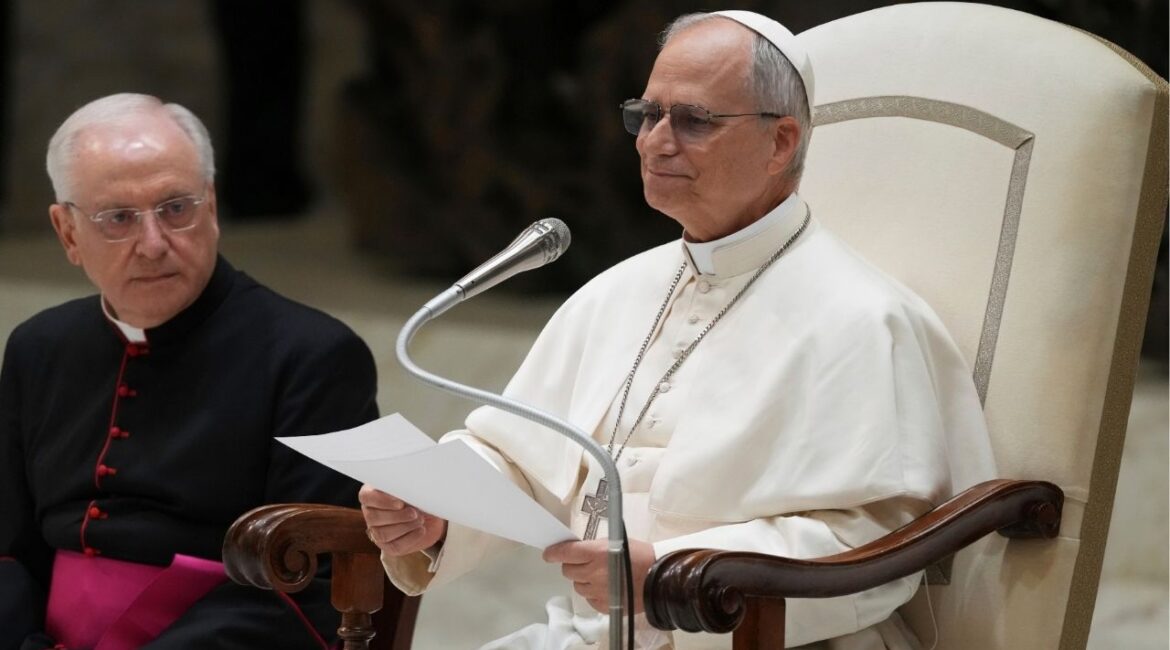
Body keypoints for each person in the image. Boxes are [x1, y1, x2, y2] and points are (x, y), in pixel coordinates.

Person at [360, 10, 996, 649]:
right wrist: (434, 510)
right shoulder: (616, 293)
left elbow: (873, 546)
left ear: (780, 143)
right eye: (647, 115)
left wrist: (673, 578)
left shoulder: (862, 320)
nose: (654, 142)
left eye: (694, 120)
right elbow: (519, 459)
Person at [0, 93, 377, 650]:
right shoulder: (39, 348)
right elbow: (8, 547)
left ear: (213, 207)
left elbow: (310, 583)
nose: (153, 244)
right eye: (118, 218)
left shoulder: (312, 357)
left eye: (177, 208)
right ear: (68, 233)